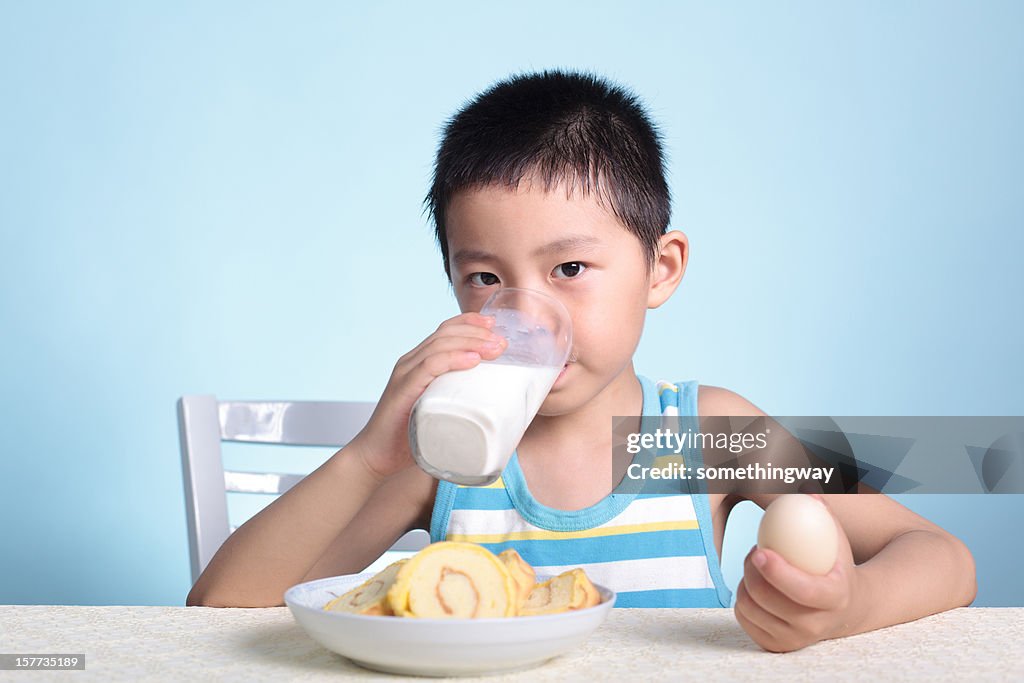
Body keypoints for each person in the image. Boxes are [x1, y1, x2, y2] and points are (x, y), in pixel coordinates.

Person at [187, 69, 976, 653]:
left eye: (569, 269)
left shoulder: (707, 433)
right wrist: (367, 456)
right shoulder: (451, 459)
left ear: (660, 269)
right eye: (487, 279)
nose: (533, 314)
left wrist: (849, 604)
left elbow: (942, 557)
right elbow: (220, 609)